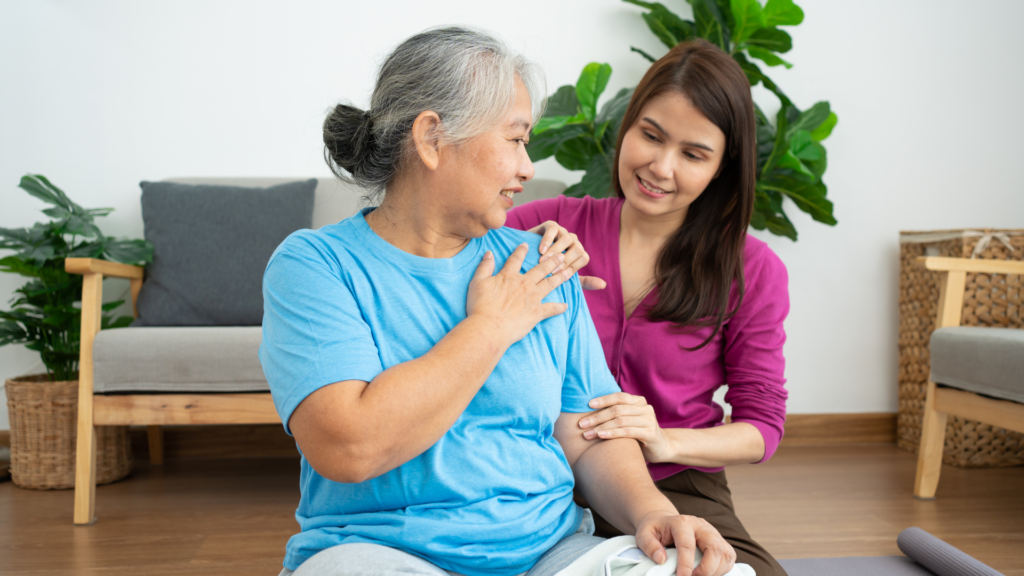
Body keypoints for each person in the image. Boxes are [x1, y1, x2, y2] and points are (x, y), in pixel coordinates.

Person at [259, 28, 737, 576]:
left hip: (551, 555)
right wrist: (489, 327)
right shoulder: (316, 266)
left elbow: (589, 437)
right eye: (515, 140)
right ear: (432, 138)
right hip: (383, 554)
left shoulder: (541, 260)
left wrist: (654, 512)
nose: (527, 168)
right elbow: (349, 448)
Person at [505, 39, 790, 576]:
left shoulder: (751, 269)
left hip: (675, 482)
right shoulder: (541, 225)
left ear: (723, 168)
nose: (660, 167)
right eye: (650, 136)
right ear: (628, 125)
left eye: (693, 154)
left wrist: (662, 439)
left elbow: (762, 426)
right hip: (543, 476)